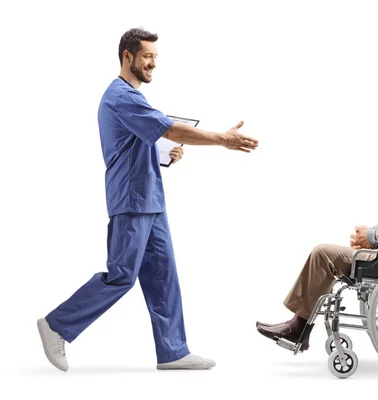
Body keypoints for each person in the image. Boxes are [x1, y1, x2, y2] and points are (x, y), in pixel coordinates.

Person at [37, 27, 259, 372]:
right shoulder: (121, 96)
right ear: (128, 56)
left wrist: (163, 152)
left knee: (163, 274)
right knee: (122, 275)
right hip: (132, 199)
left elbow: (143, 141)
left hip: (150, 199)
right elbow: (168, 128)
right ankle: (57, 325)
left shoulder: (131, 97)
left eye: (156, 57)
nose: (153, 63)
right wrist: (221, 139)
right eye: (147, 57)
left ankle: (173, 351)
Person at [256, 117, 378, 349]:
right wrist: (372, 239)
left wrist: (372, 236)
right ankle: (299, 327)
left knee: (322, 253)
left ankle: (298, 327)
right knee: (328, 255)